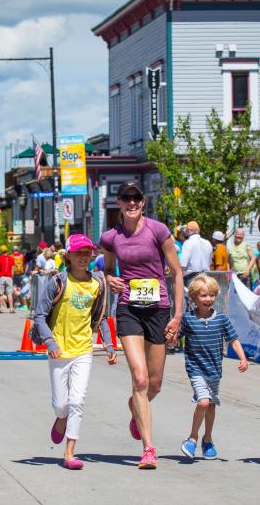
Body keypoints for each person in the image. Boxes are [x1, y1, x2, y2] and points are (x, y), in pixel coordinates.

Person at [99, 181, 185, 470]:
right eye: (126, 198)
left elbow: (177, 272)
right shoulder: (111, 237)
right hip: (129, 309)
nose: (132, 202)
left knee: (155, 383)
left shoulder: (158, 230)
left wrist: (177, 316)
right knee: (139, 379)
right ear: (119, 203)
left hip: (158, 309)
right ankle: (149, 449)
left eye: (136, 198)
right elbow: (108, 268)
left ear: (143, 202)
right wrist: (109, 278)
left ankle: (136, 407)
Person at [31, 234, 117, 470]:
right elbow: (39, 315)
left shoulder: (97, 284)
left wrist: (110, 345)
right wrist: (50, 343)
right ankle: (60, 418)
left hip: (83, 351)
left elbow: (100, 318)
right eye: (78, 252)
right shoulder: (59, 282)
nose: (83, 257)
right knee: (62, 405)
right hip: (59, 351)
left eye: (87, 252)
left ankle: (70, 453)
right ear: (67, 255)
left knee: (77, 401)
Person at [178, 274, 249, 460]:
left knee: (210, 406)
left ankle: (207, 440)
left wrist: (242, 358)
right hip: (195, 369)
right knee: (202, 401)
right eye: (203, 295)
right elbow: (174, 338)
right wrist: (167, 339)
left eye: (211, 295)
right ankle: (192, 438)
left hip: (215, 370)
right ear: (193, 297)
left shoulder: (221, 320)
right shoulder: (188, 319)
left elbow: (233, 340)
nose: (208, 299)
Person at [0, 245, 16, 313]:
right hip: (9, 277)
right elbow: (13, 270)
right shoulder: (11, 258)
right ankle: (11, 308)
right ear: (7, 250)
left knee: (1, 294)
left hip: (1, 277)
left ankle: (1, 308)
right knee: (9, 294)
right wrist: (11, 276)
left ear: (1, 251)